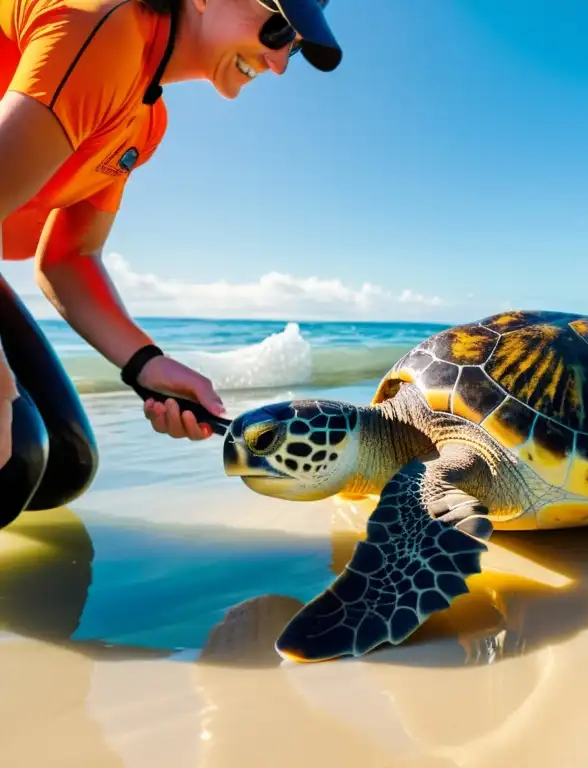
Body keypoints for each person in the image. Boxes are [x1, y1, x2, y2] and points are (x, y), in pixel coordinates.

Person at [0, 0, 342, 528]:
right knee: (10, 459)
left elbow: (68, 257)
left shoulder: (147, 119)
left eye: (293, 48)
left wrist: (146, 364)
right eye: (277, 28)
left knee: (64, 464)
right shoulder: (100, 30)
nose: (277, 63)